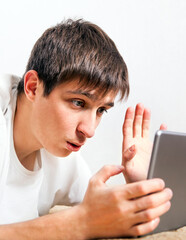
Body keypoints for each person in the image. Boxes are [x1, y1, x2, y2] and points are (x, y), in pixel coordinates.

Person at [0, 19, 172, 239]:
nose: (89, 130)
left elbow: (104, 215)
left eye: (101, 110)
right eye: (78, 103)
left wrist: (142, 188)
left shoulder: (60, 153)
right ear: (33, 87)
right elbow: (87, 219)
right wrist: (78, 224)